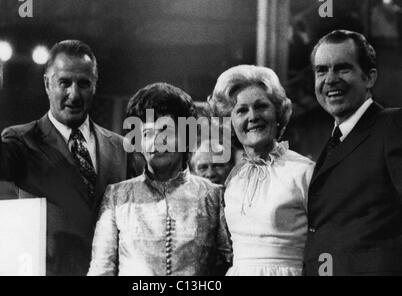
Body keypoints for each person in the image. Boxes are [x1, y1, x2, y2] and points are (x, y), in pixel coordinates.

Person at [0, 34, 133, 275]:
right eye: (64, 83)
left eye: (83, 83)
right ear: (47, 84)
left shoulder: (120, 148)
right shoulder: (23, 141)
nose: (74, 95)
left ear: (95, 84)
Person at [87, 82, 232, 276]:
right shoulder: (117, 196)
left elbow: (228, 265)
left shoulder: (213, 196)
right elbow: (101, 269)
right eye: (147, 133)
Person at [304, 30, 402, 276]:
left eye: (342, 68)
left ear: (369, 78)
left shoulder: (393, 125)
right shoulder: (332, 141)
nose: (330, 79)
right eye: (321, 70)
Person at [209, 65, 315, 276]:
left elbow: (328, 246)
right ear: (230, 122)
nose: (252, 116)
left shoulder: (305, 172)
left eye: (261, 106)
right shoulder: (234, 178)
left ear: (278, 113)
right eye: (241, 110)